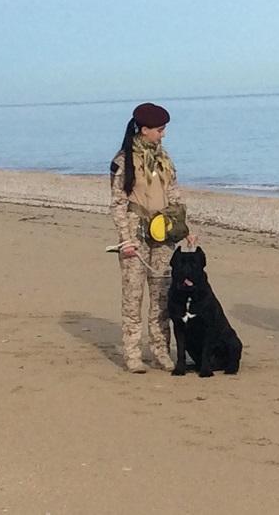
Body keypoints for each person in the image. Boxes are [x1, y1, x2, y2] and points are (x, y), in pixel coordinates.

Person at [109, 102, 194, 373]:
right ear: (144, 130)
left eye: (164, 129)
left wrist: (184, 227)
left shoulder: (163, 158)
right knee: (133, 298)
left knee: (161, 299)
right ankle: (132, 354)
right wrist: (126, 239)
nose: (163, 134)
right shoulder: (123, 161)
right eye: (159, 130)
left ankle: (161, 352)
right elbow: (117, 203)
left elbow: (174, 193)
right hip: (135, 235)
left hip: (164, 234)